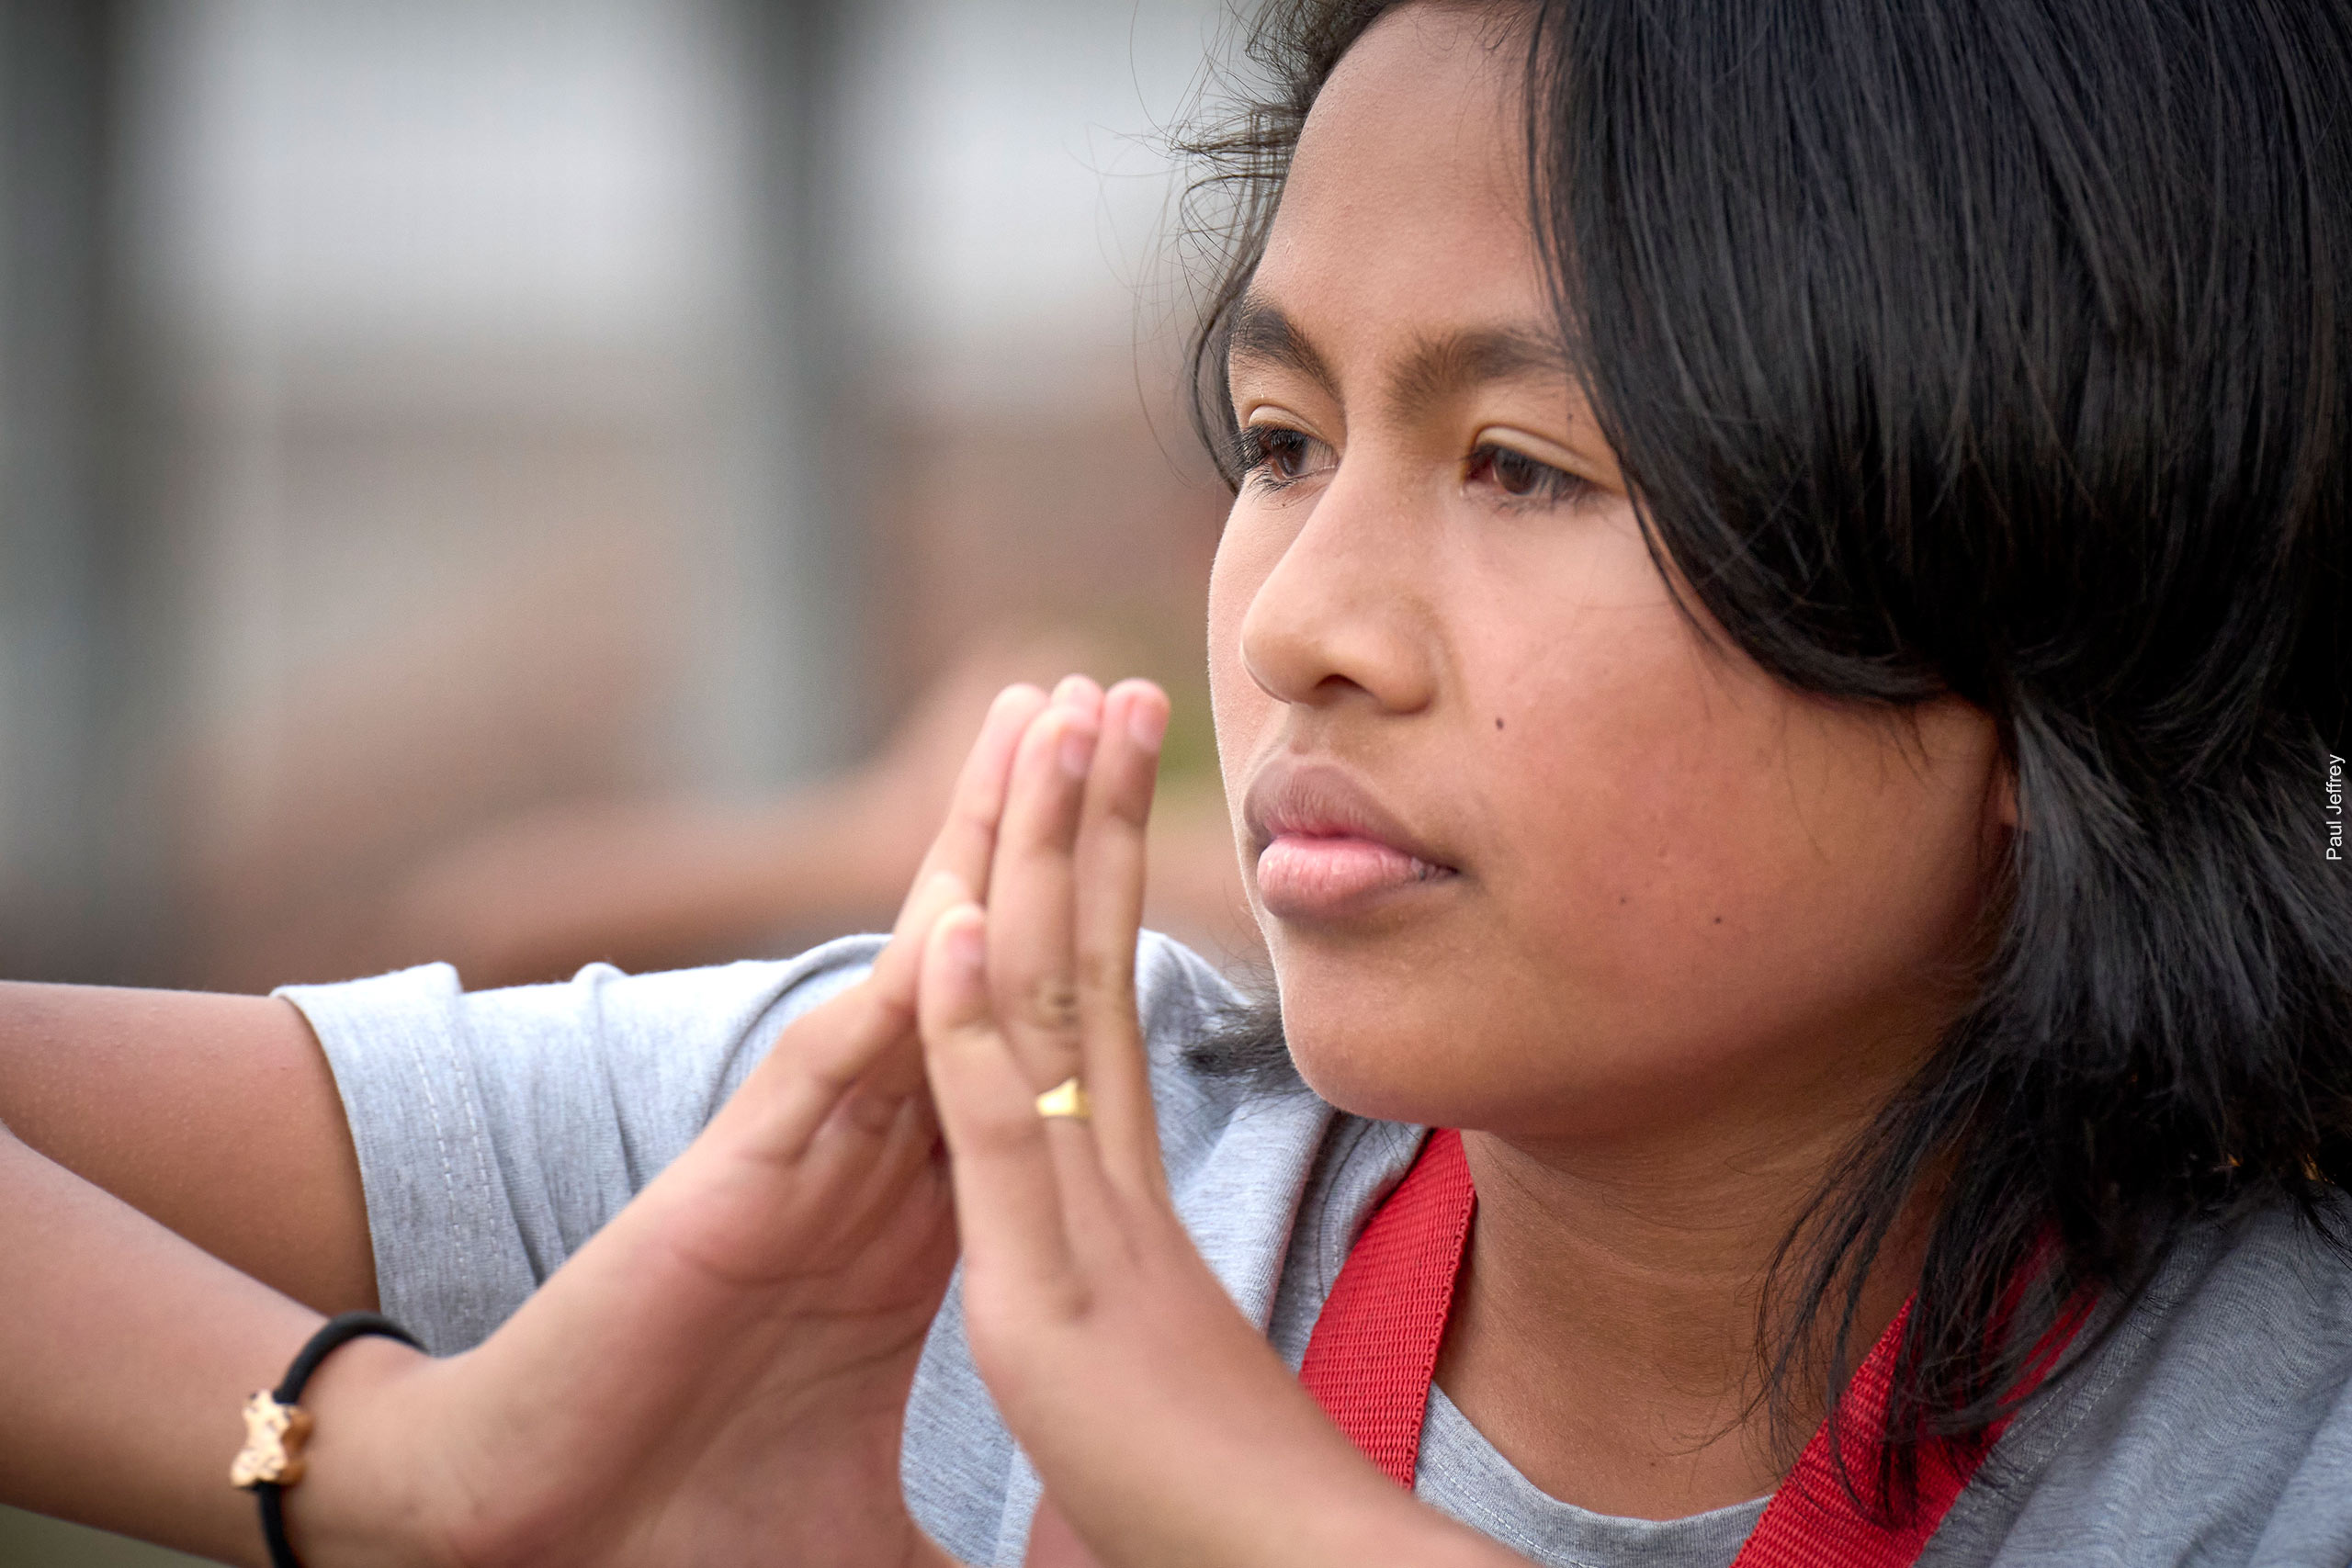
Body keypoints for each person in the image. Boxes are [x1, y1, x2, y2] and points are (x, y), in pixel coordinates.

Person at [3, 2, 2347, 1566]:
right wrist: (389, 1455)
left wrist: (1248, 1507)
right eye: (1279, 436)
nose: (1300, 612)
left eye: (1518, 464)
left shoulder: (2272, 1436)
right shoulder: (975, 1179)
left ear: (2061, 619)